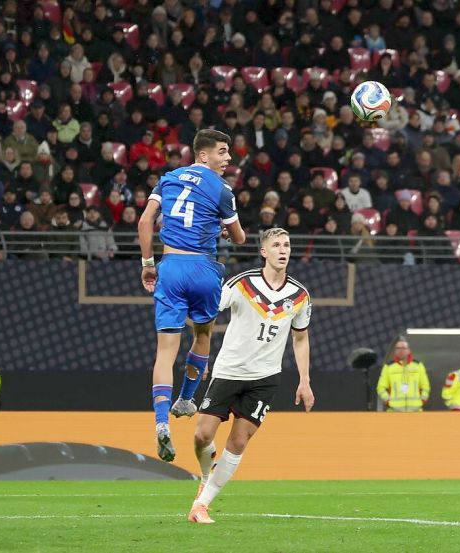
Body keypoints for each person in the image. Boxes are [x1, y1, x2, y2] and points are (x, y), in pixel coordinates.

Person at [188, 228, 313, 523]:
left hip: (265, 377)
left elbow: (300, 338)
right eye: (277, 245)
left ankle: (201, 505)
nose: (283, 250)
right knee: (201, 435)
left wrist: (304, 380)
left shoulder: (300, 295)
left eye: (287, 244)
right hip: (229, 371)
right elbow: (207, 314)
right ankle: (206, 475)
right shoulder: (242, 284)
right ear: (264, 252)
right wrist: (200, 355)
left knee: (239, 441)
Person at [138, 129, 247, 462]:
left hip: (170, 267)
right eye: (223, 152)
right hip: (203, 269)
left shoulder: (167, 179)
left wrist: (147, 264)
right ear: (203, 156)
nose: (228, 159)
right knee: (202, 335)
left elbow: (145, 222)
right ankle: (186, 399)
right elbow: (240, 237)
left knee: (164, 352)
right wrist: (224, 232)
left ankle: (160, 425)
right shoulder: (222, 189)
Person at [376, 339, 430, 412]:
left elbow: (425, 386)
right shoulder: (388, 367)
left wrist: (423, 400)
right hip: (394, 411)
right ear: (395, 351)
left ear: (408, 350)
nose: (401, 350)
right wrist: (388, 400)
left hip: (415, 411)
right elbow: (380, 388)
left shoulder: (418, 366)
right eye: (398, 348)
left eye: (403, 348)